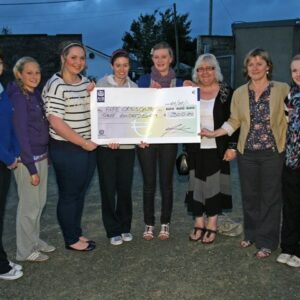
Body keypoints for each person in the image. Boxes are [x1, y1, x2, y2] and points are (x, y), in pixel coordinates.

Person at [201, 48, 289, 258]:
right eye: (251, 64)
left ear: (268, 67)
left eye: (260, 63)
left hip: (273, 152)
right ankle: (251, 234)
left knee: (270, 197)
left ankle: (267, 241)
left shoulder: (282, 89)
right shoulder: (240, 93)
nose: (255, 67)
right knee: (250, 196)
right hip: (246, 153)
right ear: (246, 68)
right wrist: (215, 133)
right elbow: (234, 121)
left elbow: (291, 115)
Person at [43, 41, 97, 251]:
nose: (78, 62)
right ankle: (70, 240)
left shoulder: (85, 83)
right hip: (67, 148)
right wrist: (84, 143)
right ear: (64, 59)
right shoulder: (55, 84)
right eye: (73, 57)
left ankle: (75, 232)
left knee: (80, 192)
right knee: (69, 194)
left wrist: (96, 94)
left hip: (86, 147)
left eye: (82, 58)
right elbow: (56, 121)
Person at [183, 53, 238, 244]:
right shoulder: (189, 91)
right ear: (196, 72)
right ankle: (199, 222)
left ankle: (212, 224)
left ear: (216, 70)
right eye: (201, 68)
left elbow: (235, 120)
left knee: (214, 186)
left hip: (218, 147)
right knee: (196, 186)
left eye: (210, 68)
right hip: (194, 148)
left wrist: (233, 147)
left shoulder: (226, 92)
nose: (205, 72)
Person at [7, 57, 55, 262]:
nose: (35, 76)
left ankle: (34, 240)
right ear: (19, 74)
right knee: (29, 206)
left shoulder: (34, 94)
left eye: (37, 72)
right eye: (29, 73)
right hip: (29, 160)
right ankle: (24, 251)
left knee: (39, 202)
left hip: (41, 156)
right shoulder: (18, 97)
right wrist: (31, 168)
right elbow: (21, 134)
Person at [137, 42, 182, 241]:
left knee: (166, 184)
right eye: (156, 57)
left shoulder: (180, 83)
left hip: (169, 139)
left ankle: (165, 222)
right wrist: (147, 93)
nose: (160, 60)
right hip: (147, 139)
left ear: (171, 59)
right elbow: (135, 110)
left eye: (164, 57)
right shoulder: (143, 80)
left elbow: (188, 107)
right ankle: (149, 223)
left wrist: (193, 88)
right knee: (148, 184)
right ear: (152, 59)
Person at [96, 49, 137, 246]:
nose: (122, 69)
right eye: (118, 65)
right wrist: (107, 137)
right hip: (106, 146)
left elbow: (139, 117)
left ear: (130, 67)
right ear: (112, 66)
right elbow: (98, 116)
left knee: (124, 188)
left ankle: (125, 226)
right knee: (108, 188)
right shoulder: (100, 86)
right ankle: (112, 230)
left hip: (128, 147)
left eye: (125, 65)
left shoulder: (135, 88)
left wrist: (142, 136)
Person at [0, 52, 23, 280]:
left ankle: (1, 258)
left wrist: (15, 151)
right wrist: (8, 158)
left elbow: (10, 125)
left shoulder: (1, 91)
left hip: (6, 159)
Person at [277, 55, 300, 267]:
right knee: (291, 206)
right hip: (292, 161)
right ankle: (288, 247)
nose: (298, 74)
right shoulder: (290, 96)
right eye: (294, 70)